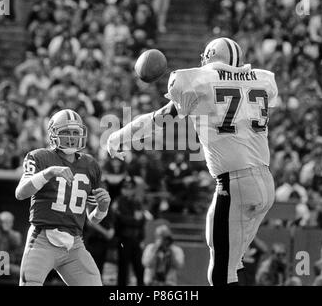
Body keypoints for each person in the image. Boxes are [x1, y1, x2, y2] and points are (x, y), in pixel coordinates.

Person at [107, 37, 278, 286]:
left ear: (210, 57)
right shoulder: (262, 79)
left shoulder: (199, 81)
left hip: (235, 183)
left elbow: (161, 118)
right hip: (265, 182)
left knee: (221, 270)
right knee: (231, 261)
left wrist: (120, 136)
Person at [15, 109, 111, 286]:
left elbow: (93, 219)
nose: (71, 137)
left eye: (75, 132)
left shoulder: (90, 165)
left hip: (74, 243)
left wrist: (103, 208)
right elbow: (21, 193)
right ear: (53, 134)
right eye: (66, 132)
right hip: (42, 238)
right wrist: (48, 173)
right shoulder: (40, 157)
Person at [113, 176, 147, 286]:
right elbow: (119, 220)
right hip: (124, 239)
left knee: (139, 267)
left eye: (131, 188)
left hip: (136, 239)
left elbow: (141, 221)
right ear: (122, 189)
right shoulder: (118, 202)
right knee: (123, 268)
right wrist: (133, 219)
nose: (128, 190)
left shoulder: (136, 202)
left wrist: (130, 220)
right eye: (126, 188)